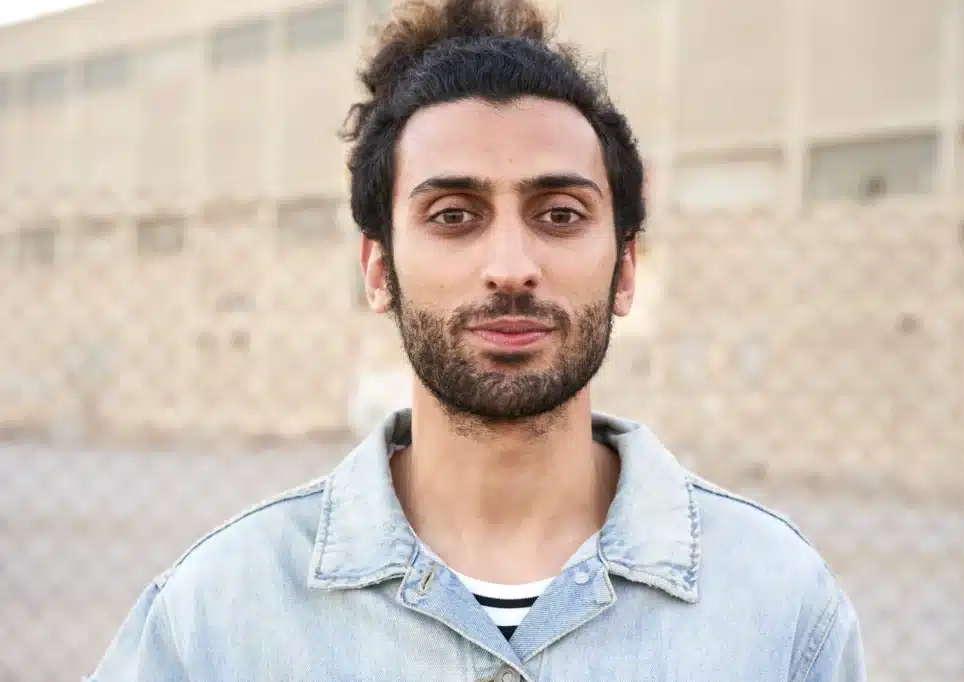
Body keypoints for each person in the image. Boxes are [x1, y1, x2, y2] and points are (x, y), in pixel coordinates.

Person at [90, 0, 866, 680]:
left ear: (625, 268)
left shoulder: (780, 602)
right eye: (453, 215)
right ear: (377, 269)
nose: (510, 268)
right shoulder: (218, 613)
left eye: (559, 213)